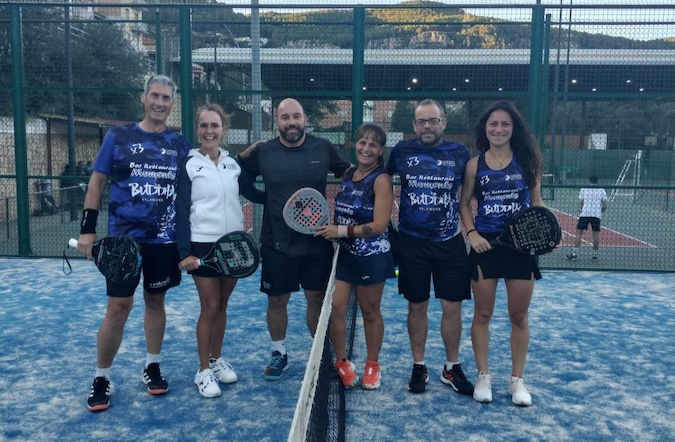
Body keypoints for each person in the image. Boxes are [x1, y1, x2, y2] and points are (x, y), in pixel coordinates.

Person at [75, 75, 191, 412]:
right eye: (154, 95)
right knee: (117, 309)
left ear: (172, 103)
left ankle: (152, 365)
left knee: (156, 301)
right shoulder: (118, 136)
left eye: (166, 97)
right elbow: (97, 182)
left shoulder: (179, 143)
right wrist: (88, 229)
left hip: (163, 240)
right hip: (123, 242)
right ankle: (101, 377)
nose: (159, 102)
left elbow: (190, 189)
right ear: (144, 98)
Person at [237, 98, 351, 381]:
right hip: (276, 243)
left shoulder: (322, 148)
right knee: (277, 301)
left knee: (316, 298)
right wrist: (263, 198)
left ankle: (319, 353)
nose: (291, 122)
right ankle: (279, 354)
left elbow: (350, 174)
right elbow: (239, 176)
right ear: (277, 121)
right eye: (285, 117)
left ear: (304, 119)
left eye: (296, 116)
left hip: (316, 241)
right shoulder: (263, 152)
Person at [459, 100, 545, 407]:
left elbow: (537, 202)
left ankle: (517, 381)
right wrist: (472, 234)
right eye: (493, 124)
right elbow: (464, 204)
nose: (498, 129)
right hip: (486, 247)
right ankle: (484, 376)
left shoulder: (528, 161)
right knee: (483, 314)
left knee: (518, 316)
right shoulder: (474, 164)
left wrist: (549, 233)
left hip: (521, 247)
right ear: (485, 128)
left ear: (514, 129)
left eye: (505, 124)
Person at [385, 99, 474, 396]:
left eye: (433, 121)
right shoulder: (401, 152)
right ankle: (418, 365)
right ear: (413, 125)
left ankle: (451, 366)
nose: (427, 126)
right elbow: (379, 181)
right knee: (417, 306)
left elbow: (475, 193)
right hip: (411, 243)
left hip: (450, 243)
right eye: (421, 121)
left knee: (452, 307)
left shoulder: (460, 154)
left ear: (444, 123)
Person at [176, 104, 265, 398]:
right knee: (210, 307)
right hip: (202, 245)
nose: (209, 131)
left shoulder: (232, 164)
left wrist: (281, 195)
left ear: (223, 130)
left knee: (223, 305)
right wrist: (184, 252)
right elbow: (181, 209)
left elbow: (251, 193)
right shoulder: (188, 165)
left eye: (215, 126)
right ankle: (202, 371)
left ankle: (215, 360)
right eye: (204, 126)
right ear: (197, 130)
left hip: (233, 245)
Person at [315, 123, 394, 390]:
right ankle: (342, 362)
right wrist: (337, 232)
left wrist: (341, 230)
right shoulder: (349, 173)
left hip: (372, 256)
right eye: (362, 142)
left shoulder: (381, 180)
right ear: (355, 144)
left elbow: (380, 225)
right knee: (336, 308)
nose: (366, 148)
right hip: (345, 256)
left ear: (381, 150)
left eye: (373, 144)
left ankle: (373, 364)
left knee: (370, 311)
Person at [567, 175, 608, 262]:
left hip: (585, 214)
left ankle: (574, 254)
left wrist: (583, 208)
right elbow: (605, 205)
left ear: (589, 180)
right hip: (596, 215)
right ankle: (595, 256)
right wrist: (599, 211)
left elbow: (581, 203)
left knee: (579, 233)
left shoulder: (584, 189)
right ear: (597, 181)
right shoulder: (601, 191)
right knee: (596, 235)